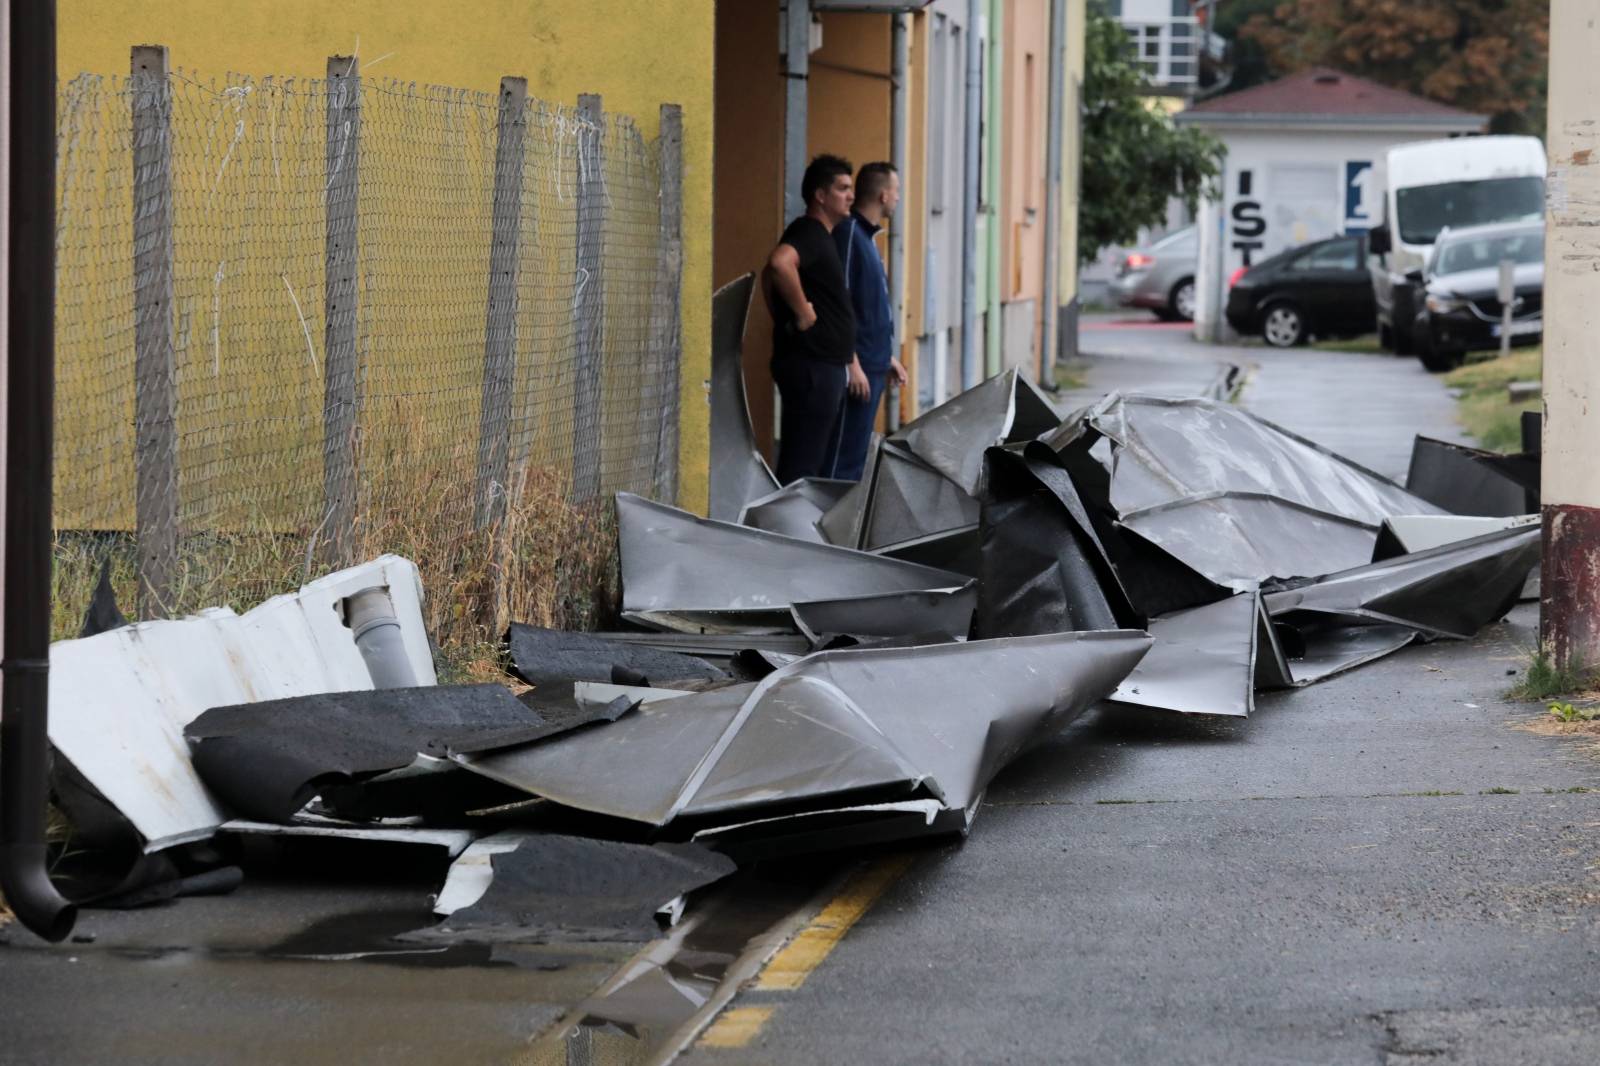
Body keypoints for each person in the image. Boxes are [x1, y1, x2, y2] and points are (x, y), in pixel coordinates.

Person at [762, 154, 856, 485]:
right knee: (801, 464)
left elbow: (767, 276)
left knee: (806, 460)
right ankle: (782, 533)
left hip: (821, 366)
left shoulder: (820, 236)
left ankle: (786, 528)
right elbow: (778, 264)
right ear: (820, 195)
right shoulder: (810, 232)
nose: (850, 196)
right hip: (813, 368)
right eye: (842, 188)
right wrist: (802, 313)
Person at [828, 161, 909, 481]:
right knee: (843, 458)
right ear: (883, 195)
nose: (899, 198)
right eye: (897, 191)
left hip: (873, 364)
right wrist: (853, 363)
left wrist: (884, 355)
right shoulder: (849, 235)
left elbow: (869, 309)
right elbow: (841, 302)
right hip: (857, 370)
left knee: (858, 455)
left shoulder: (867, 238)